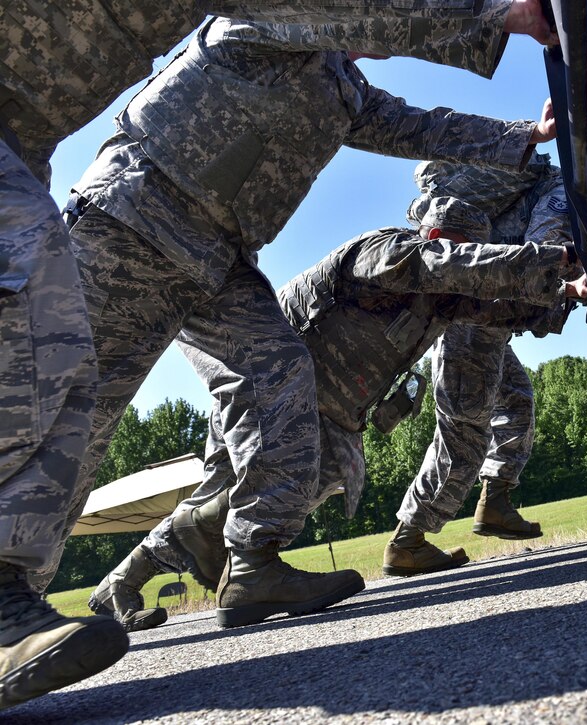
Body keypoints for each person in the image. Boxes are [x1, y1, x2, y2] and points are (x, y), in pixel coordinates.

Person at [0, 0, 555, 710]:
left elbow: (421, 127)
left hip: (217, 260)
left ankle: (252, 563)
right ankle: (14, 606)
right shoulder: (264, 24)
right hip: (134, 222)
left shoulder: (343, 91)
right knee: (73, 413)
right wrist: (496, 15)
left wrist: (523, 135)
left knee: (283, 378)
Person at [89, 196, 587, 629]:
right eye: (460, 251)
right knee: (247, 498)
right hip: (271, 392)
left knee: (239, 498)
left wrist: (569, 292)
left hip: (317, 415)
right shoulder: (386, 253)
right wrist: (557, 258)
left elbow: (502, 307)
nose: (467, 269)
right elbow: (449, 268)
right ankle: (245, 575)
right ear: (435, 237)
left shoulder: (442, 300)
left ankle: (123, 584)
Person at [386, 153, 572, 575]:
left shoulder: (500, 185)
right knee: (463, 433)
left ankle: (495, 502)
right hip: (476, 314)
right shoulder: (555, 187)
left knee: (516, 400)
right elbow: (547, 250)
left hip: (483, 314)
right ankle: (407, 541)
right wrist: (562, 292)